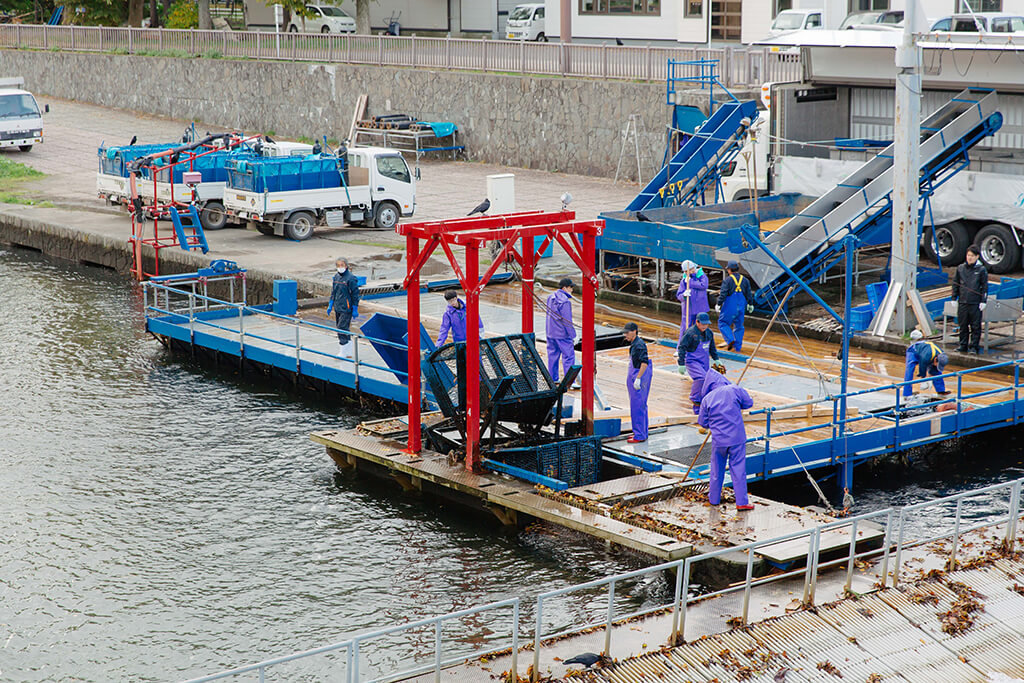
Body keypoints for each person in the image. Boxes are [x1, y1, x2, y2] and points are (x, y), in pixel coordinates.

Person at [697, 368, 755, 511]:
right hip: (736, 439)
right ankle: (741, 502)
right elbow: (749, 403)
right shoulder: (734, 389)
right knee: (738, 470)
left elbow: (703, 423)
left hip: (719, 441)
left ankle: (714, 499)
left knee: (716, 470)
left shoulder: (707, 399)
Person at [677, 312, 726, 414]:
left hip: (704, 362)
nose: (704, 326)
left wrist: (716, 359)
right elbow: (682, 348)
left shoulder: (709, 333)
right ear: (697, 322)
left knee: (709, 381)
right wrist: (681, 363)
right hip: (692, 361)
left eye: (706, 324)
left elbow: (712, 348)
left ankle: (704, 408)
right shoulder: (690, 334)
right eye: (702, 324)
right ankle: (695, 399)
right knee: (701, 378)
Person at [952, 244, 988, 354]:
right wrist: (954, 297)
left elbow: (984, 286)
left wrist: (983, 301)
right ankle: (963, 345)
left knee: (975, 326)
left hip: (975, 303)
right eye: (968, 255)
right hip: (963, 302)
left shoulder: (981, 270)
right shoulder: (960, 268)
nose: (970, 257)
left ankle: (974, 347)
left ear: (977, 257)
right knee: (963, 325)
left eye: (972, 255)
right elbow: (955, 284)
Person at [546, 277, 578, 385]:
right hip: (562, 334)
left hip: (550, 333)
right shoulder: (565, 302)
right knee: (568, 356)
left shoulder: (550, 297)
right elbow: (567, 320)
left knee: (552, 356)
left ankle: (553, 378)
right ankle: (569, 382)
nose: (572, 290)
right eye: (571, 287)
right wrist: (573, 335)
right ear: (565, 288)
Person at [716, 261, 754, 352]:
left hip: (730, 306)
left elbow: (723, 293)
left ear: (729, 270)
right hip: (741, 306)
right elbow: (748, 293)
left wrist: (719, 303)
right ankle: (738, 348)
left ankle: (730, 339)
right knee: (739, 326)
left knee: (723, 323)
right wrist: (750, 304)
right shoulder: (745, 280)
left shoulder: (727, 280)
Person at [326, 257, 360, 359]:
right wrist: (331, 304)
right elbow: (334, 291)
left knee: (341, 328)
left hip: (346, 308)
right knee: (344, 327)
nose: (340, 267)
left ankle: (343, 351)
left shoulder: (350, 278)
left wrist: (355, 308)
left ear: (346, 266)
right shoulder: (336, 277)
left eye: (342, 265)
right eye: (338, 265)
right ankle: (348, 352)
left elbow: (355, 294)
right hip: (337, 306)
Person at [623, 322, 651, 444]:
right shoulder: (635, 344)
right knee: (641, 405)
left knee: (637, 406)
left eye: (627, 332)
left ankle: (639, 435)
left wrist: (638, 378)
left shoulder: (639, 345)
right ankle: (642, 432)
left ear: (634, 331)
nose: (625, 335)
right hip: (636, 373)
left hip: (639, 374)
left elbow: (644, 362)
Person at [904, 329, 951, 397]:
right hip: (914, 351)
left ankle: (941, 391)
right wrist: (924, 380)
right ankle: (907, 394)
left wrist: (931, 375)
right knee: (909, 371)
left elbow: (934, 370)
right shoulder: (925, 358)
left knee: (936, 372)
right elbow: (922, 370)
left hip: (927, 351)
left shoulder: (941, 354)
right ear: (935, 360)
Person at [676, 260, 710, 337]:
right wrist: (684, 295)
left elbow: (703, 286)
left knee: (699, 328)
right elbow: (679, 295)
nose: (691, 272)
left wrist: (690, 282)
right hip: (688, 308)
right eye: (687, 271)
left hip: (700, 307)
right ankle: (682, 347)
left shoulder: (701, 276)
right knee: (685, 328)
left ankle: (698, 346)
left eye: (692, 269)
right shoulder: (684, 281)